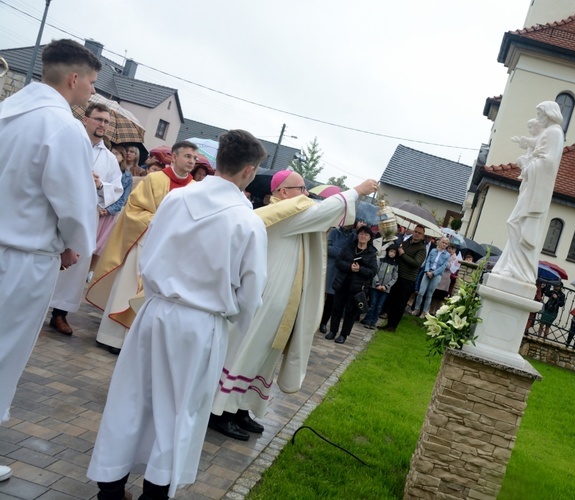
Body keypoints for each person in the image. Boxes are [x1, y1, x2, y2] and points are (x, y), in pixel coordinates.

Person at [87, 129, 268, 500]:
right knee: (180, 409)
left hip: (155, 312)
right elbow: (251, 293)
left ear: (217, 162)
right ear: (249, 171)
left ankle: (110, 485)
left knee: (131, 396)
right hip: (202, 324)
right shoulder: (248, 222)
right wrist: (233, 332)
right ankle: (155, 492)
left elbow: (149, 252)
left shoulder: (176, 200)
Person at [210, 170, 378, 440]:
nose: (305, 194)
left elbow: (321, 216)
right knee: (247, 352)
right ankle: (220, 412)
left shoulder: (292, 212)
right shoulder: (280, 214)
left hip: (281, 301)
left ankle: (242, 407)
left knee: (264, 357)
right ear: (282, 192)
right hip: (264, 300)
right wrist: (356, 191)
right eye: (300, 188)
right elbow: (322, 212)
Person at [0, 38, 100, 484]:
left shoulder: (8, 112)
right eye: (92, 84)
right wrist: (73, 243)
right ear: (73, 78)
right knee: (4, 356)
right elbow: (76, 205)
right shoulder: (62, 127)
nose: (91, 94)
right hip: (24, 258)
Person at [86, 141, 197, 354]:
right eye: (187, 156)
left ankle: (136, 342)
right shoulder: (155, 179)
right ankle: (112, 337)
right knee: (126, 288)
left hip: (171, 251)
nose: (191, 161)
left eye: (194, 158)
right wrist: (161, 220)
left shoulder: (195, 189)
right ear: (174, 157)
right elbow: (133, 209)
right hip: (142, 241)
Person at [48, 102, 123, 335]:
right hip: (56, 212)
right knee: (49, 256)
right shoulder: (70, 143)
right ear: (86, 120)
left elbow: (117, 190)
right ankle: (37, 302)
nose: (102, 124)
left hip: (86, 216)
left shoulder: (110, 159)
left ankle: (60, 313)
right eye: (98, 119)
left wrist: (100, 185)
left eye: (106, 121)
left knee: (75, 266)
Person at [493, 101, 564, 285]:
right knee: (515, 223)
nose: (539, 119)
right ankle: (510, 267)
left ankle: (520, 271)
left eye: (541, 115)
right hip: (531, 185)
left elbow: (547, 163)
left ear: (549, 114)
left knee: (517, 223)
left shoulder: (554, 132)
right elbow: (538, 149)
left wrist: (526, 165)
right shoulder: (549, 132)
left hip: (536, 188)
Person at [88, 144, 133, 283]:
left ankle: (91, 270)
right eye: (112, 152)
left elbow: (122, 197)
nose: (114, 156)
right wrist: (99, 206)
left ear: (122, 158)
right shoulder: (104, 166)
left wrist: (108, 210)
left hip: (109, 214)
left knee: (100, 244)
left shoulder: (127, 176)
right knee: (89, 239)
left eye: (117, 154)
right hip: (96, 209)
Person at [326, 225, 378, 343]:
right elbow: (339, 262)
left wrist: (360, 269)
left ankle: (344, 335)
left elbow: (372, 272)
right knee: (337, 308)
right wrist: (349, 267)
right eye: (361, 233)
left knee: (350, 312)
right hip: (343, 283)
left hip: (357, 287)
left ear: (370, 238)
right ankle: (333, 331)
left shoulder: (371, 253)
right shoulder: (349, 247)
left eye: (366, 234)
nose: (362, 236)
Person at [381, 225, 426, 332]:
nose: (416, 234)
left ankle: (393, 326)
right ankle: (388, 324)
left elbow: (416, 263)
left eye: (419, 233)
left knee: (400, 304)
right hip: (397, 275)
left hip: (408, 279)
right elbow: (398, 254)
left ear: (423, 236)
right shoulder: (406, 242)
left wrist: (403, 254)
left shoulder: (421, 249)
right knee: (392, 300)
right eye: (415, 231)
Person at [320, 225, 351, 334]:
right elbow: (326, 247)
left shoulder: (353, 236)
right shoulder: (334, 232)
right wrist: (342, 252)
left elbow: (352, 253)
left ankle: (323, 322)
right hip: (329, 268)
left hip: (341, 272)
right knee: (321, 296)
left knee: (331, 299)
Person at [412, 236, 451, 318]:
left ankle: (424, 311)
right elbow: (428, 261)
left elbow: (443, 267)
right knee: (421, 292)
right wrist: (427, 271)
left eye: (446, 243)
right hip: (428, 272)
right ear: (440, 242)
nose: (444, 244)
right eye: (443, 242)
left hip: (436, 275)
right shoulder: (433, 251)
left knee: (429, 294)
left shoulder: (447, 255)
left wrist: (433, 273)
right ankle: (416, 309)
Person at [361, 244, 399, 329]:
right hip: (375, 287)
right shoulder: (380, 260)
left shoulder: (395, 265)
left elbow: (394, 277)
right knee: (373, 304)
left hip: (385, 289)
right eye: (391, 251)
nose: (392, 253)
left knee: (379, 306)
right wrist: (377, 283)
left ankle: (373, 322)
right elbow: (375, 272)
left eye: (394, 252)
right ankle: (368, 321)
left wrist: (387, 286)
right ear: (388, 251)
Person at [429, 242, 460, 315]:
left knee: (441, 297)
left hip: (446, 278)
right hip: (439, 275)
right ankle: (431, 310)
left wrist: (444, 263)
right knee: (434, 294)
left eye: (451, 249)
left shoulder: (456, 258)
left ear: (454, 250)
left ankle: (437, 312)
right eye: (448, 248)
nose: (449, 250)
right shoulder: (444, 254)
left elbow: (449, 266)